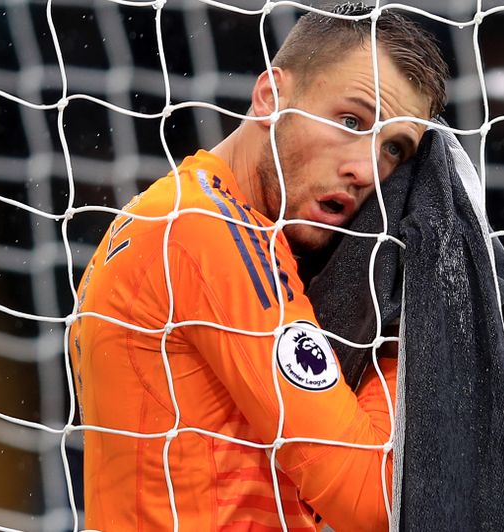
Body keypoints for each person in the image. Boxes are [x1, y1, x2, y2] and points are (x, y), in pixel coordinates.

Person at [68, 3, 448, 531]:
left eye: (393, 150)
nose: (365, 169)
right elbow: (377, 498)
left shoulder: (177, 212)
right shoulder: (206, 231)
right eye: (349, 120)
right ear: (271, 95)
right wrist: (416, 326)